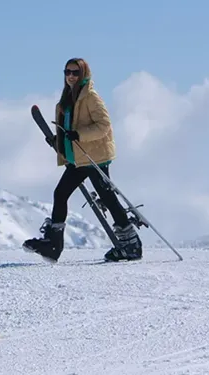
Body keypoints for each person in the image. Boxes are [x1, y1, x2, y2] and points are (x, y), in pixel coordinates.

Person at [23, 57, 143, 263]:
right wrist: (58, 141)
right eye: (67, 72)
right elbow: (68, 126)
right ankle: (53, 245)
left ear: (84, 74)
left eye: (75, 72)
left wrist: (79, 135)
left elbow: (104, 125)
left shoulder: (91, 97)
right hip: (78, 158)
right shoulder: (68, 97)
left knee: (106, 198)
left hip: (94, 157)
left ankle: (132, 244)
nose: (70, 76)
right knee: (61, 194)